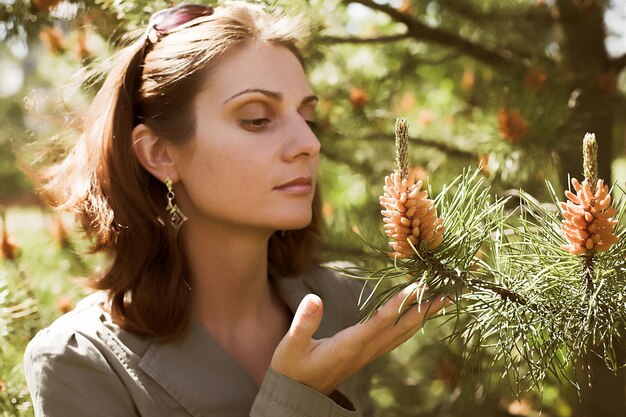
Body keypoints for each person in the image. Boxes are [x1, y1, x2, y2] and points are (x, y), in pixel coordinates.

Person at [23, 2, 447, 416]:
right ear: (160, 154)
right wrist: (297, 398)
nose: (309, 144)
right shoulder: (81, 363)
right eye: (257, 119)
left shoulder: (345, 302)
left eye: (307, 117)